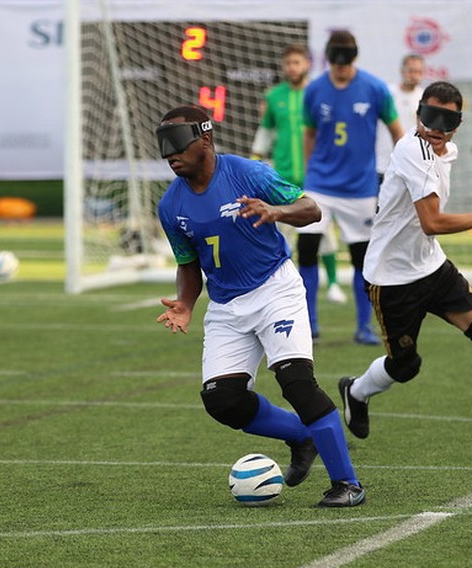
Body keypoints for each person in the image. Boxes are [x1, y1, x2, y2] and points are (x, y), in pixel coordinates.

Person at [154, 104, 366, 507]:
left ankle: (347, 484)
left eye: (177, 142)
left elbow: (312, 209)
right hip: (226, 307)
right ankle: (302, 436)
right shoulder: (170, 206)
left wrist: (277, 211)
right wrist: (185, 303)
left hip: (275, 291)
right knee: (222, 401)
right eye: (163, 145)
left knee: (297, 384)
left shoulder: (247, 173)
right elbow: (188, 263)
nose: (170, 154)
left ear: (205, 137)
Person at [337, 81, 472, 456]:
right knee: (405, 366)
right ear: (417, 114)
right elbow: (431, 222)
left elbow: (427, 230)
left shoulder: (446, 151)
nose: (435, 127)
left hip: (431, 267)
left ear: (458, 124)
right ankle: (356, 391)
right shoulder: (411, 149)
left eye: (446, 120)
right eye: (429, 116)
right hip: (393, 278)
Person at [299, 30, 404, 344]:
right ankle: (309, 324)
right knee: (306, 249)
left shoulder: (375, 88)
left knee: (363, 258)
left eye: (345, 62)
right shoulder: (315, 89)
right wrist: (308, 176)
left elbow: (398, 130)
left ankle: (363, 326)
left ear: (354, 58)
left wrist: (404, 171)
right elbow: (309, 134)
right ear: (328, 59)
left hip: (360, 188)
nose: (340, 68)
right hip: (319, 184)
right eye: (335, 62)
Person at [251, 42, 347, 307]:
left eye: (297, 62)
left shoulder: (318, 93)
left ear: (307, 65)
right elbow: (266, 130)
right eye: (288, 63)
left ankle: (334, 283)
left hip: (315, 176)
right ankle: (277, 283)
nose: (292, 67)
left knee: (323, 232)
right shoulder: (274, 96)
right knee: (279, 232)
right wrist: (256, 158)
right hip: (282, 177)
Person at [375, 53, 426, 182]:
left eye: (418, 72)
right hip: (383, 164)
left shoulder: (424, 98)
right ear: (402, 71)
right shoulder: (388, 93)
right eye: (411, 71)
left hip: (411, 167)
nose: (414, 75)